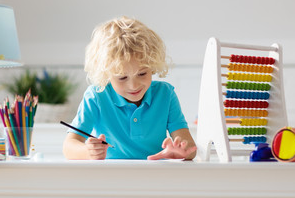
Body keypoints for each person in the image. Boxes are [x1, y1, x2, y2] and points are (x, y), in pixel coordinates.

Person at [62, 16, 196, 160]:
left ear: (152, 67)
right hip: (111, 176)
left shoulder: (166, 94)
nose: (134, 85)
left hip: (156, 176)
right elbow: (69, 146)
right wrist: (88, 152)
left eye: (142, 73)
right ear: (106, 75)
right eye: (122, 77)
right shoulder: (96, 96)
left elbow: (190, 148)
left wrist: (181, 152)